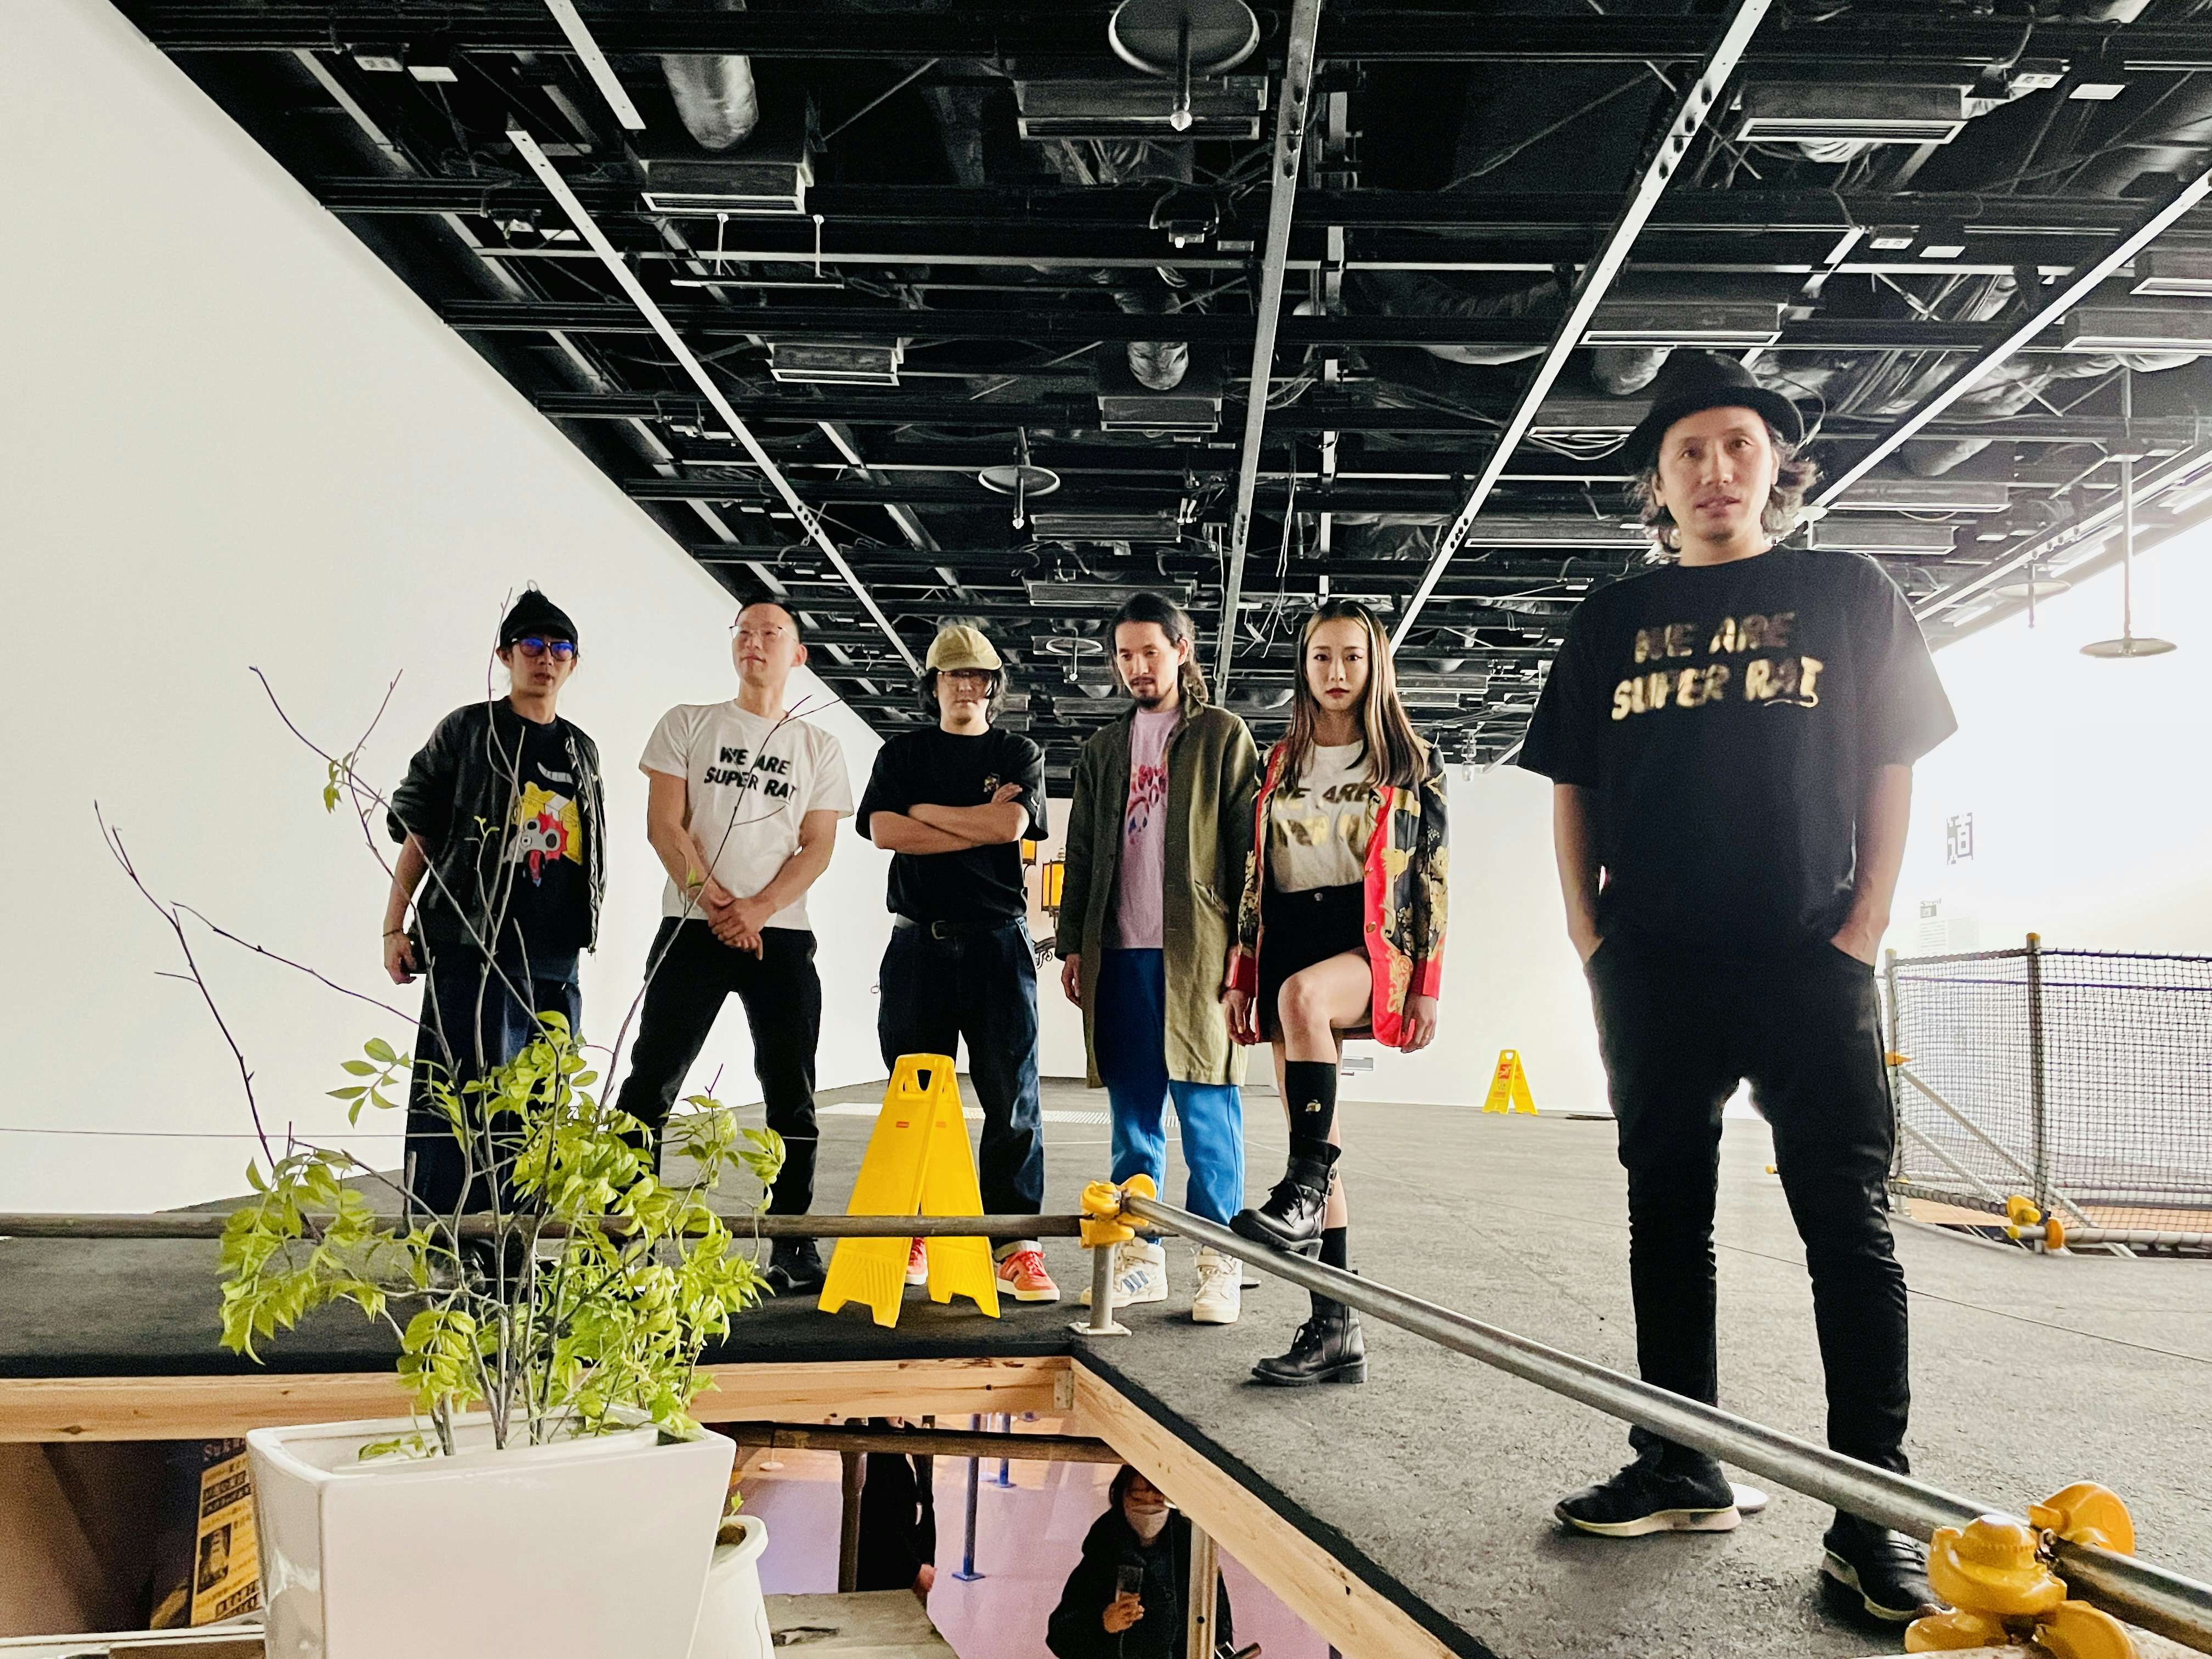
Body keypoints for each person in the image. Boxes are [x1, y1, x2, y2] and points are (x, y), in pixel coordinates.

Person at [1518, 351, 1956, 1623]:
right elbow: (1572, 783)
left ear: (1777, 466)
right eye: (1689, 454)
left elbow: (1890, 763)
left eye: (1738, 447)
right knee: (1667, 1217)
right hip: (1655, 967)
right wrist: (1591, 935)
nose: (1716, 471)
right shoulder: (1612, 619)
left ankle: (1871, 1514)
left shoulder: (1846, 593)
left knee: (1847, 1227)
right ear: (1657, 484)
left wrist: (1865, 927)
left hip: (1808, 958)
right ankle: (1681, 1460)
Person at [1224, 600, 1448, 1387]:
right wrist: (1241, 970)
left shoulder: (1410, 762)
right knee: (1315, 1145)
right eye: (1322, 656)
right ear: (1304, 666)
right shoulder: (1279, 761)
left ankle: (1303, 1190)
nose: (1337, 672)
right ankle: (1334, 1329)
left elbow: (1431, 877)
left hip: (1367, 941)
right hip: (1289, 936)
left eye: (1352, 656)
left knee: (1305, 1005)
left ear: (1375, 665)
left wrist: (1427, 984)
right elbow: (1254, 873)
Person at [612, 599, 853, 1295]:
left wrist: (757, 909)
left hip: (781, 936)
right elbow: (665, 826)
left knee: (792, 1094)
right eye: (744, 631)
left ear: (797, 654)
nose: (755, 642)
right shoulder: (687, 723)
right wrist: (719, 904)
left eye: (771, 633)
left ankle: (792, 1243)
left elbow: (818, 846)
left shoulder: (819, 747)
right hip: (692, 928)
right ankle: (624, 1239)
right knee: (650, 1084)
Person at [1056, 594, 1260, 1324]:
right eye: (1125, 655)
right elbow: (1081, 853)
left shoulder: (1222, 737)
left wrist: (1246, 950)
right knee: (1133, 1117)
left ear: (1182, 650)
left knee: (1207, 1111)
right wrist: (1074, 943)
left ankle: (1219, 1260)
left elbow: (1248, 853)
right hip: (1119, 954)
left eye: (1150, 651)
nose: (1137, 666)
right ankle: (1139, 1258)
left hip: (1197, 956)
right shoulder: (1103, 750)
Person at [386, 589, 606, 1249]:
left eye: (560, 648)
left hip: (555, 954)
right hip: (471, 942)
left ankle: (515, 1239)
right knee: (459, 1094)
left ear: (574, 662)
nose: (546, 658)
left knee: (539, 1099)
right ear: (506, 655)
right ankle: (447, 1240)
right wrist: (394, 926)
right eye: (532, 645)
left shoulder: (581, 749)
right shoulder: (468, 730)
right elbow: (419, 831)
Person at [856, 622, 1057, 1303]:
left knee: (1013, 1096)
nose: (965, 686)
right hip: (919, 945)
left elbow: (1010, 827)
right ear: (933, 684)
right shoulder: (902, 753)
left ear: (993, 686)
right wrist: (972, 819)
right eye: (953, 675)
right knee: (914, 1094)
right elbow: (884, 830)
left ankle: (1014, 1244)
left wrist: (924, 813)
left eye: (977, 676)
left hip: (999, 944)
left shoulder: (1018, 752)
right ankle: (916, 1231)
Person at [1047, 1468, 1231, 1659]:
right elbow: (1061, 1636)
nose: (1148, 1507)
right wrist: (1103, 1624)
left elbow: (1220, 1634)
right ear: (1122, 1498)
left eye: (1158, 1499)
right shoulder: (1103, 1554)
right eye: (1137, 1498)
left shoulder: (1195, 1554)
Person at [853, 1419, 937, 1602]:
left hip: (915, 1555)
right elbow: (881, 1520)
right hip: (884, 1566)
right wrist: (915, 1569)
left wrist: (927, 1559)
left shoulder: (911, 1432)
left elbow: (926, 1501)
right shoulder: (873, 1441)